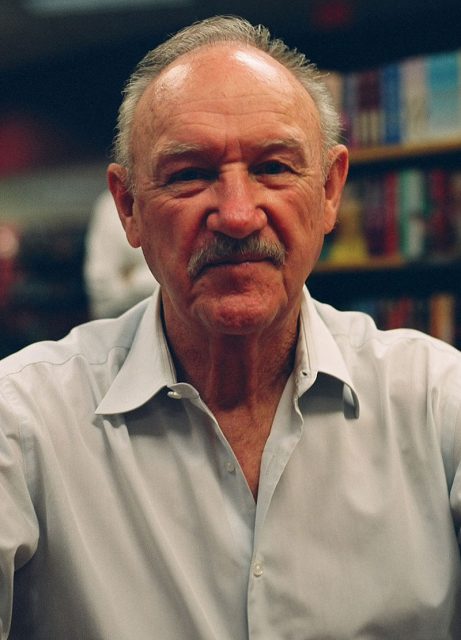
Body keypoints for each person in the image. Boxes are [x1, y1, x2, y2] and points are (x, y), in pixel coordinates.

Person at [0, 15, 460, 640]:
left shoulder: (439, 403)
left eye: (273, 167)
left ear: (329, 192)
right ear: (129, 209)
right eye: (190, 174)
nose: (239, 215)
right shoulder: (22, 420)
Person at [84, 189, 156, 318]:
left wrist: (132, 277)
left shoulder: (179, 199)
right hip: (119, 329)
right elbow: (103, 292)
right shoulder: (109, 205)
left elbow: (183, 280)